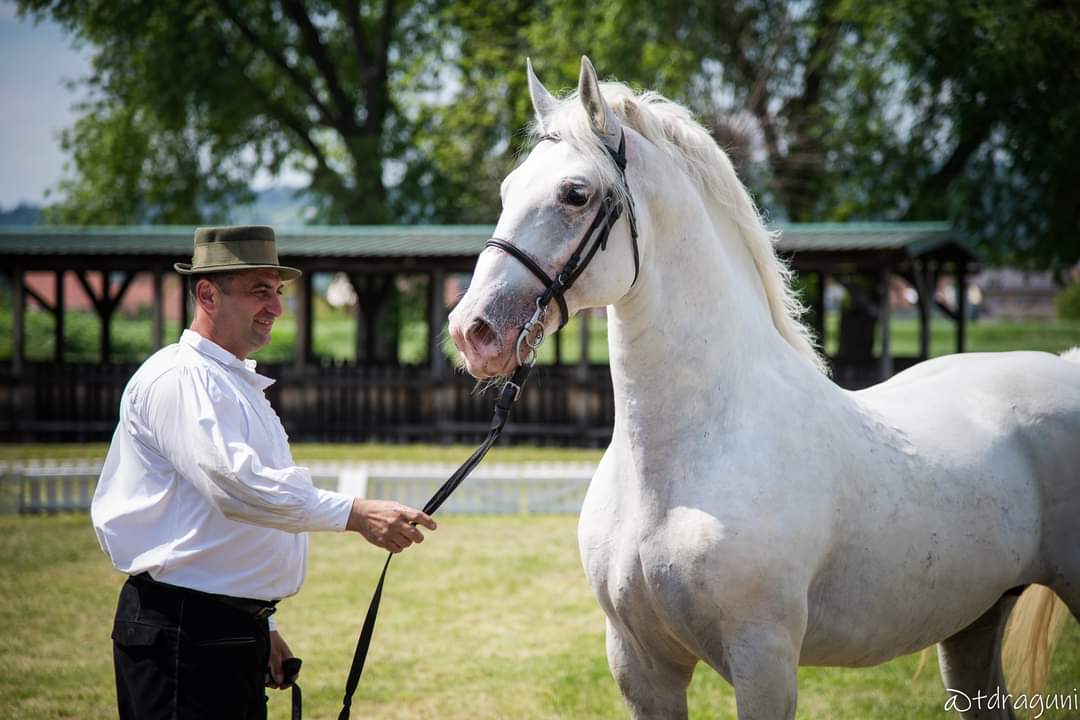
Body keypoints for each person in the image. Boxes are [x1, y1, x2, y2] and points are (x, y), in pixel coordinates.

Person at [91, 225, 436, 719]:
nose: (275, 307)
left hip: (222, 627)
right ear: (207, 294)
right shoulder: (183, 378)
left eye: (277, 292)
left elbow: (231, 523)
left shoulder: (230, 381)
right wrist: (356, 514)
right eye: (259, 291)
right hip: (185, 631)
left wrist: (264, 625)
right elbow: (239, 489)